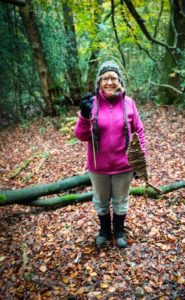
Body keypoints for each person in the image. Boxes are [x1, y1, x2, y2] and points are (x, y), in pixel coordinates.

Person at [75, 61, 146, 248]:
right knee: (101, 200)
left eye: (113, 78)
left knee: (121, 201)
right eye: (105, 78)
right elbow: (81, 136)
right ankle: (104, 231)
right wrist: (84, 115)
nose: (109, 82)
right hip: (98, 166)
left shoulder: (129, 103)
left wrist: (141, 160)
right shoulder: (92, 104)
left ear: (119, 81)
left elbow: (139, 131)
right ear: (99, 81)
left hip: (124, 165)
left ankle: (119, 231)